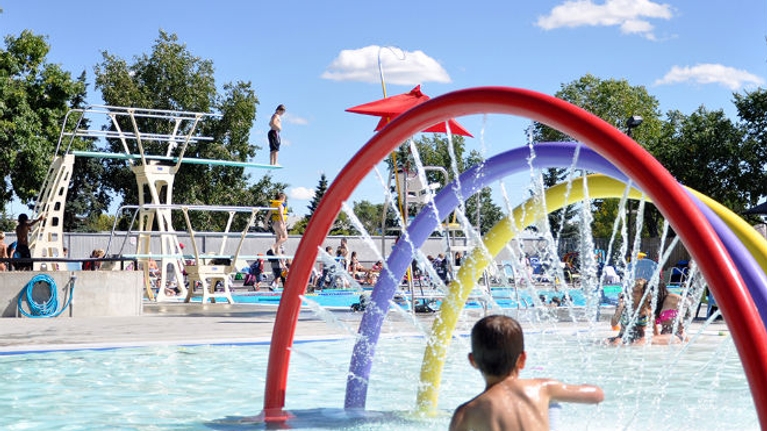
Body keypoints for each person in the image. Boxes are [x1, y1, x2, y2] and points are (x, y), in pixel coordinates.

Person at [449, 315, 604, 431]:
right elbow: (597, 395)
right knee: (552, 404)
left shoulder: (466, 413)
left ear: (472, 361)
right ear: (522, 359)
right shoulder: (543, 388)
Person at [607, 278, 656, 345]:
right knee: (612, 342)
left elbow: (654, 329)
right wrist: (620, 307)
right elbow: (613, 323)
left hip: (640, 338)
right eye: (632, 291)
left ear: (643, 293)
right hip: (622, 336)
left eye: (636, 292)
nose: (633, 294)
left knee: (638, 344)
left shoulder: (648, 307)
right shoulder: (625, 305)